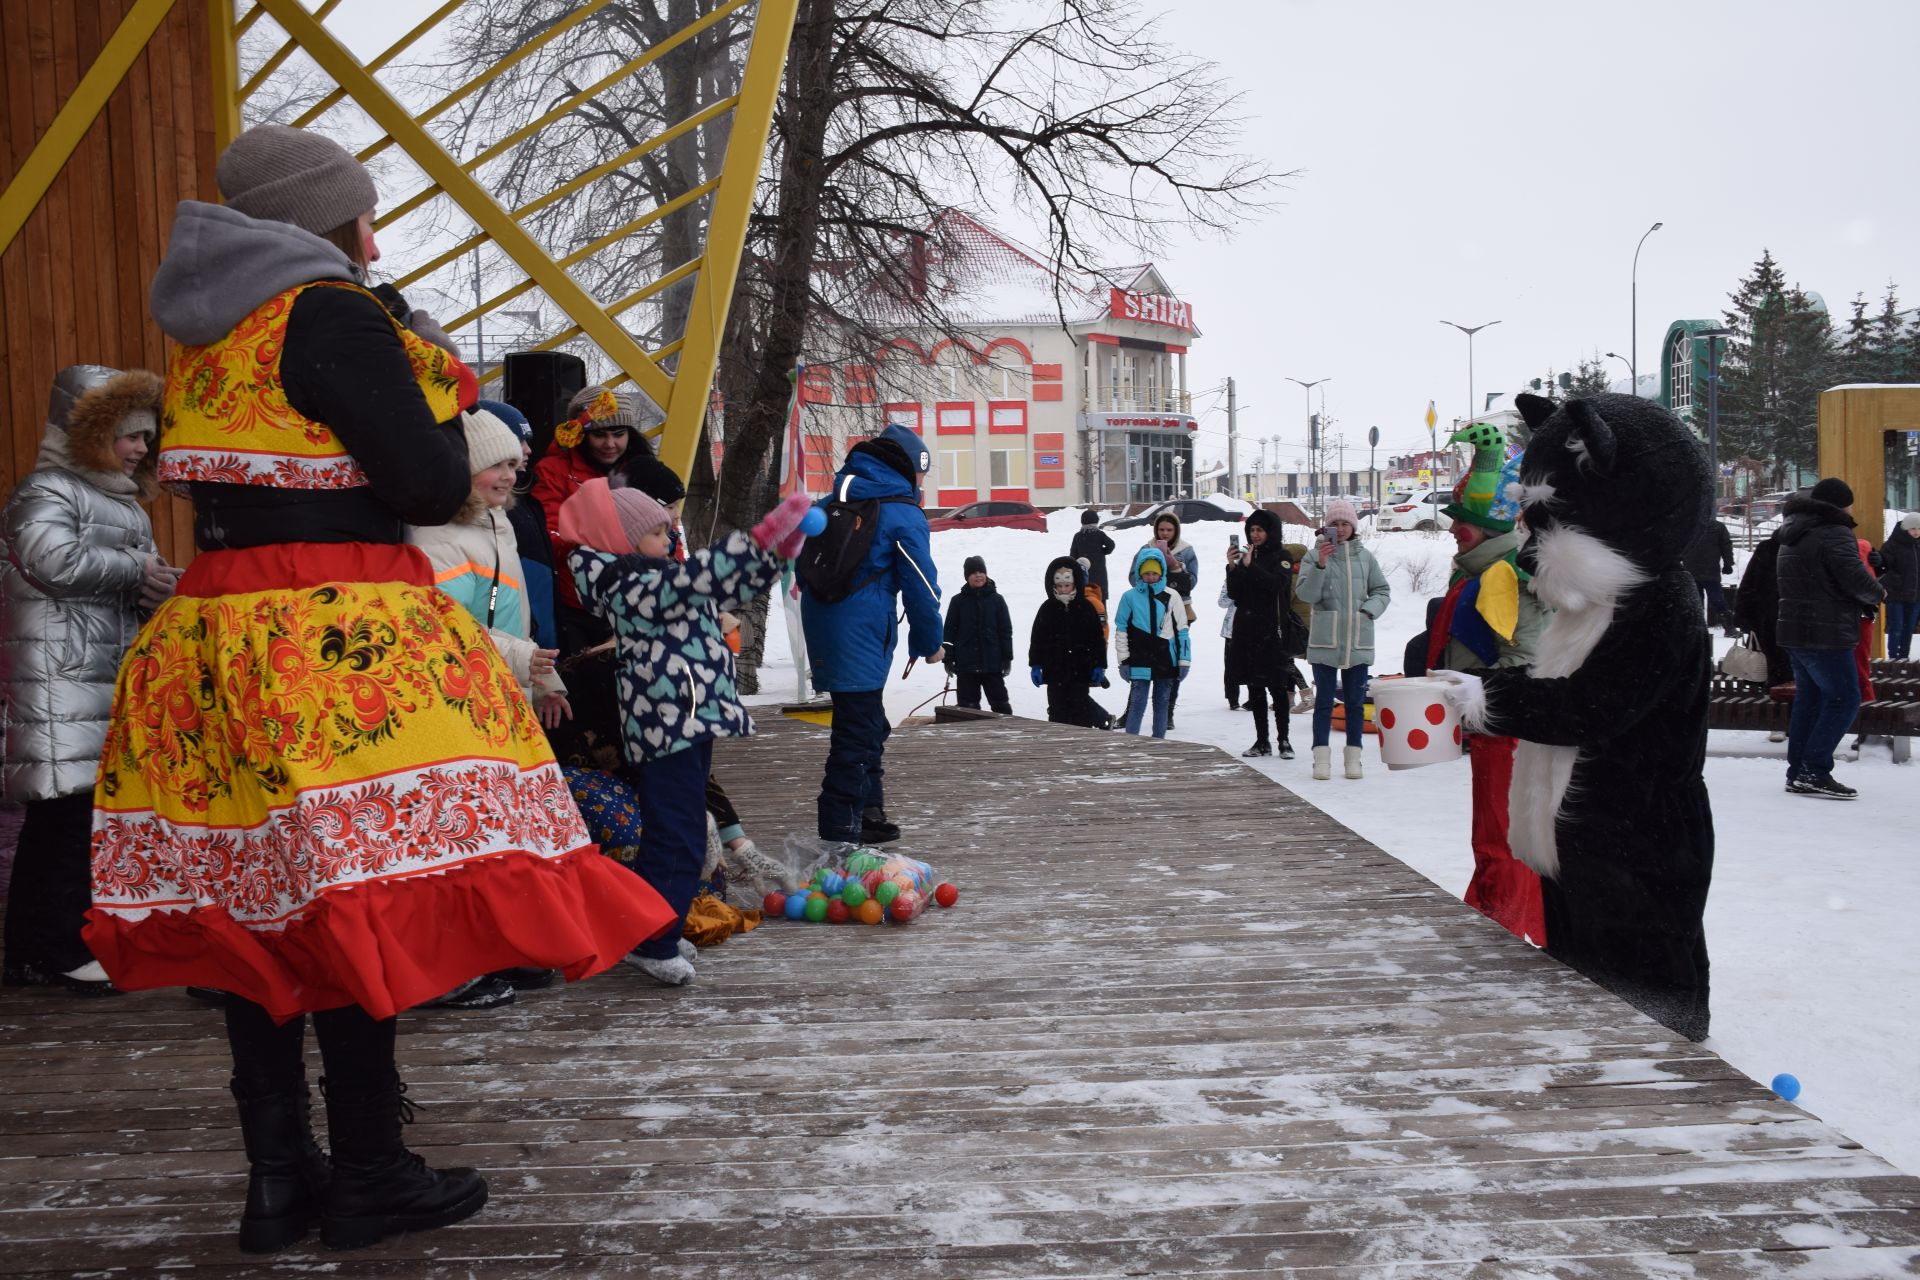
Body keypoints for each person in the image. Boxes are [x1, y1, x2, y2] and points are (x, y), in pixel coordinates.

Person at [101, 124, 676, 1254]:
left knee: (252, 901)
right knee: (354, 887)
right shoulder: (330, 309)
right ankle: (369, 1167)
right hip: (327, 632)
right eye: (365, 213)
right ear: (331, 223)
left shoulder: (213, 327)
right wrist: (435, 406)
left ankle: (277, 1181)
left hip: (211, 632)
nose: (376, 233)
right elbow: (423, 480)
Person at [566, 479, 813, 984]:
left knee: (679, 828)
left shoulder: (655, 573)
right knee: (675, 832)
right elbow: (696, 580)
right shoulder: (629, 583)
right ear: (624, 540)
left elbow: (724, 586)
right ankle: (651, 941)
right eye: (658, 533)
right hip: (666, 724)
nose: (668, 540)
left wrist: (777, 553)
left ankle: (657, 925)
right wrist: (762, 536)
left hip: (689, 719)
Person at [1, 366, 178, 994]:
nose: (139, 449)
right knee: (67, 818)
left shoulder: (118, 502)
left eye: (146, 438)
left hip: (96, 676)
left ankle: (34, 944)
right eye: (127, 436)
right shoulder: (48, 489)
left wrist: (161, 585)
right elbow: (51, 558)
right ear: (87, 434)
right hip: (61, 679)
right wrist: (138, 569)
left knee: (74, 816)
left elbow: (121, 580)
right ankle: (53, 947)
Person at [1427, 426, 1549, 945]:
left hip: (1510, 730)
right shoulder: (1482, 571)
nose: (1455, 529)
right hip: (1493, 726)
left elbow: (1526, 657)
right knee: (1492, 831)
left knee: (1506, 834)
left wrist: (1482, 693)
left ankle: (1506, 922)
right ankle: (1496, 910)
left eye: (1465, 522)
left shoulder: (1507, 574)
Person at [800, 423, 943, 849]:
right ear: (907, 467)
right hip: (859, 632)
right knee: (857, 731)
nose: (922, 483)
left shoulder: (834, 502)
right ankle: (842, 826)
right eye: (922, 473)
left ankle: (869, 810)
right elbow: (921, 584)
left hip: (826, 624)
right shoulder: (901, 513)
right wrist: (928, 642)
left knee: (867, 723)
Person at [1775, 478, 1886, 798]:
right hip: (1826, 633)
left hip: (1795, 630)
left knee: (1810, 701)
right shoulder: (1833, 532)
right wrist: (1879, 591)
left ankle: (1798, 771)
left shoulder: (1793, 532)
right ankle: (1814, 769)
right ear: (1842, 505)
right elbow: (1854, 578)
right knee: (1845, 698)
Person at [1294, 499, 1390, 780]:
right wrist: (1322, 564)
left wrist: (1368, 612)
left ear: (1353, 526)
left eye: (1345, 523)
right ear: (1326, 527)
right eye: (1334, 523)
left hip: (1358, 640)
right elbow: (1306, 596)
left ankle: (1354, 759)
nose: (1340, 528)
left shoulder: (1365, 556)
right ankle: (1320, 759)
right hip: (1325, 639)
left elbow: (1382, 591)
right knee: (1324, 701)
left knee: (1355, 703)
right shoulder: (1314, 556)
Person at [1224, 509, 1297, 759]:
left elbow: (1277, 584)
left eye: (1260, 530)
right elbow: (1235, 594)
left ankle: (1284, 740)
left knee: (1277, 688)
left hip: (1273, 632)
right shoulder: (1247, 557)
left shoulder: (1282, 556)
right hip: (1248, 631)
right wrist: (1233, 567)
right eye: (1252, 530)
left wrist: (1251, 566)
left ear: (1270, 532)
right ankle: (1261, 740)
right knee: (1255, 688)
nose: (1255, 535)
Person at [1113, 546, 1190, 738]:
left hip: (1166, 658)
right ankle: (1132, 740)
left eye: (1154, 573)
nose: (1150, 577)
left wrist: (1184, 661)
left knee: (1162, 701)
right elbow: (1121, 630)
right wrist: (1124, 661)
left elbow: (1182, 630)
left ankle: (1159, 741)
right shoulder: (1129, 597)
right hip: (1140, 658)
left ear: (1161, 572)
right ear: (1139, 573)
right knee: (1137, 701)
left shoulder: (1172, 596)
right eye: (1146, 573)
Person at [1029, 555, 1109, 728]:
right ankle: (1057, 746)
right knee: (1057, 711)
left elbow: (1097, 639)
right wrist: (1036, 665)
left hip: (1080, 670)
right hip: (1054, 671)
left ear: (1075, 584)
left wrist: (1099, 664)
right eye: (1060, 586)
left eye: (1067, 585)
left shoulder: (1086, 607)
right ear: (1053, 585)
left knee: (1080, 709)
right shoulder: (1047, 608)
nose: (1064, 589)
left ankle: (1081, 746)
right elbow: (1037, 640)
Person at [1147, 511, 1199, 730]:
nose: (1165, 534)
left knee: (1173, 662)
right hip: (1150, 611)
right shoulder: (1147, 548)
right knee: (1145, 662)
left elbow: (1192, 581)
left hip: (1179, 611)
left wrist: (1176, 567)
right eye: (1161, 530)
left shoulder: (1186, 551)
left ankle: (1168, 711)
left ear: (1176, 531)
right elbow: (1133, 577)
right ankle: (1134, 709)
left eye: (1169, 530)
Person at [943, 554, 1013, 714]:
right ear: (967, 577)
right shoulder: (957, 601)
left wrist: (1007, 657)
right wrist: (948, 658)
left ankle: (1006, 733)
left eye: (981, 571)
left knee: (1000, 704)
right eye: (974, 572)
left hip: (992, 664)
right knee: (968, 708)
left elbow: (1005, 631)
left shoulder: (997, 600)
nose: (978, 575)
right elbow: (949, 632)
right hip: (966, 665)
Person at [1683, 516, 1736, 631]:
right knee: (1698, 603)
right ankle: (1698, 629)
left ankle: (1728, 627)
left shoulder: (1717, 527)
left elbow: (1726, 545)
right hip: (1694, 572)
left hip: (1707, 572)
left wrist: (1728, 563)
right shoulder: (1687, 526)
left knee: (1715, 600)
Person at [1882, 513, 1920, 661]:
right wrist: (1894, 581)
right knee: (1896, 627)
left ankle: (1904, 657)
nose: (1916, 531)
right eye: (1912, 528)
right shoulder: (1892, 545)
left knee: (1908, 628)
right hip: (1896, 594)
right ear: (1905, 529)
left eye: (1918, 528)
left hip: (1915, 595)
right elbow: (1884, 568)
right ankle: (1894, 658)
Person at [1069, 509, 1115, 596]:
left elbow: (1073, 554)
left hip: (1082, 572)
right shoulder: (1100, 534)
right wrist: (1103, 552)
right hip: (1099, 574)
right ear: (1096, 521)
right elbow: (1111, 545)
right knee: (1100, 598)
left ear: (1082, 522)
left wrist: (1073, 567)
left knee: (1084, 598)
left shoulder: (1078, 536)